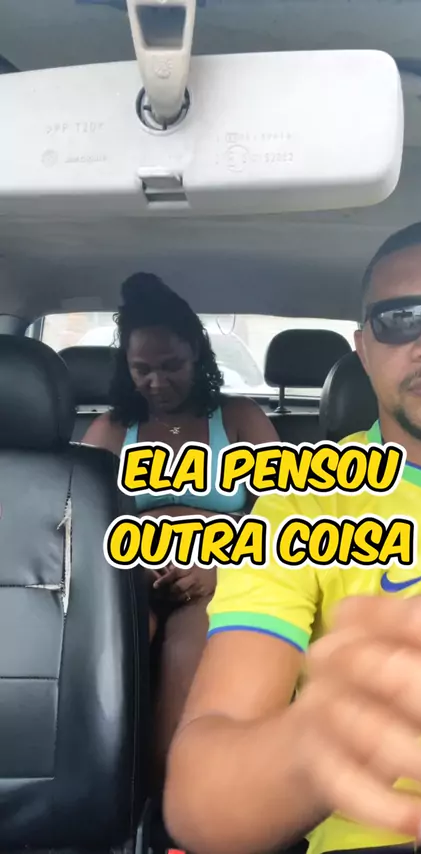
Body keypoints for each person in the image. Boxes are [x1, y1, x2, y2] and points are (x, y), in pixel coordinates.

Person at [163, 218, 421, 854]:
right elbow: (202, 798)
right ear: (362, 349)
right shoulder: (304, 504)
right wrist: (315, 743)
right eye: (399, 319)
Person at [82, 272, 279, 776]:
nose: (156, 382)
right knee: (113, 649)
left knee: (188, 649)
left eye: (171, 366)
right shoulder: (110, 430)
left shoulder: (239, 420)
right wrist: (128, 569)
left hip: (219, 579)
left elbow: (284, 521)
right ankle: (107, 789)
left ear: (197, 354)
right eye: (142, 369)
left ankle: (176, 795)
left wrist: (223, 567)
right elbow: (77, 527)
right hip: (128, 580)